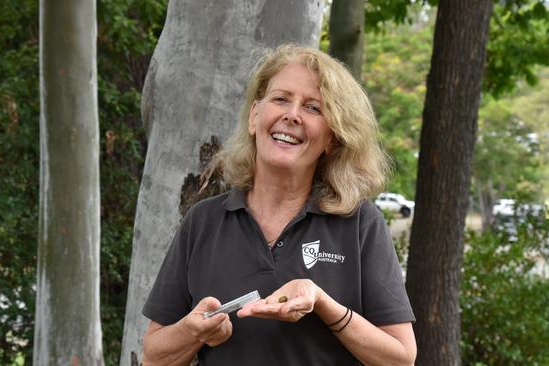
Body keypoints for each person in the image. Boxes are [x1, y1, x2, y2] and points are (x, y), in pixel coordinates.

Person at [141, 44, 417, 365]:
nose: (292, 115)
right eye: (281, 99)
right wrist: (193, 331)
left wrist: (323, 304)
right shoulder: (203, 221)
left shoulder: (359, 223)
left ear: (332, 138)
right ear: (255, 116)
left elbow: (401, 358)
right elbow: (153, 357)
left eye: (313, 107)